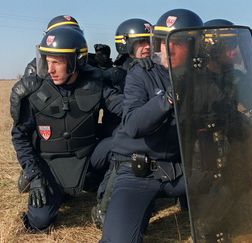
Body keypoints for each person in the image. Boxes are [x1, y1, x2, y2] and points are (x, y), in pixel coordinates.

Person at [99, 9, 203, 242]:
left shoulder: (201, 77)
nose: (169, 49)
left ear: (193, 46)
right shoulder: (141, 74)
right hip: (139, 172)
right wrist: (167, 98)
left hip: (182, 169)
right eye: (164, 43)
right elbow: (134, 125)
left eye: (178, 43)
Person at [11, 26, 122, 232]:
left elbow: (123, 107)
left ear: (76, 61)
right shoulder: (33, 91)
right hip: (49, 166)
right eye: (47, 61)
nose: (50, 69)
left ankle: (106, 203)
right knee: (40, 222)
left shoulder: (96, 85)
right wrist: (34, 175)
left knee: (121, 144)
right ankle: (55, 193)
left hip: (87, 159)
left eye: (57, 62)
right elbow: (20, 136)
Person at [91, 18, 153, 229]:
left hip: (144, 131)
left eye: (149, 41)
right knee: (126, 151)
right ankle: (104, 207)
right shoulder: (114, 74)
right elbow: (120, 106)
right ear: (125, 43)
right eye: (141, 42)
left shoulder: (155, 68)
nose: (147, 47)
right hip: (116, 137)